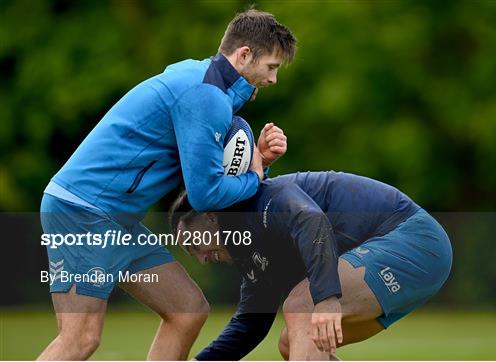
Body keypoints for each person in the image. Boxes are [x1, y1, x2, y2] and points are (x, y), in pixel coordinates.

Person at [38, 8, 296, 361]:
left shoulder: (204, 84)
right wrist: (255, 176)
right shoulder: (205, 95)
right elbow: (205, 194)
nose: (273, 79)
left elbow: (207, 169)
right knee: (80, 338)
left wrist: (258, 159)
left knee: (186, 309)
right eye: (272, 67)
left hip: (117, 220)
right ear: (245, 55)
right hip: (82, 211)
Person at [171, 171, 453, 360]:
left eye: (194, 245)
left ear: (210, 217)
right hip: (403, 253)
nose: (201, 258)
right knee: (290, 342)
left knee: (302, 306)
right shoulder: (251, 251)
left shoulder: (266, 201)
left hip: (416, 239)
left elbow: (311, 220)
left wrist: (327, 298)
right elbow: (251, 324)